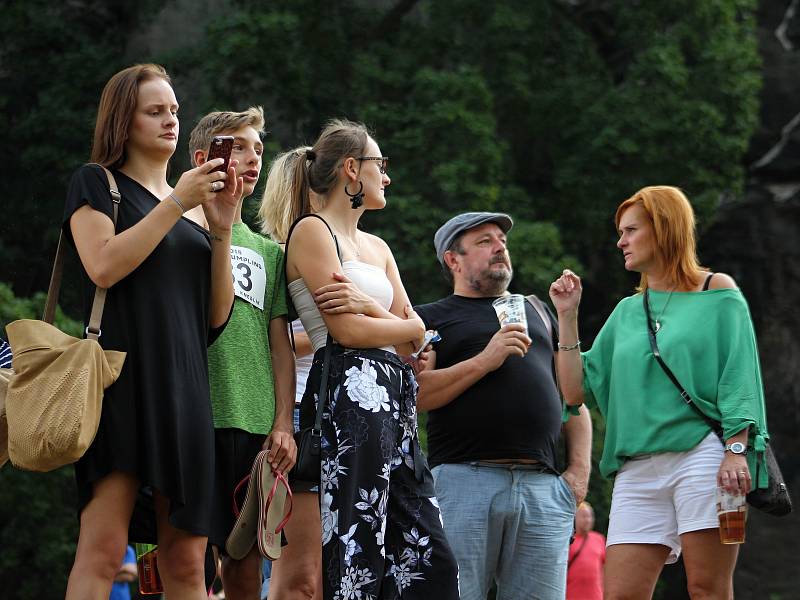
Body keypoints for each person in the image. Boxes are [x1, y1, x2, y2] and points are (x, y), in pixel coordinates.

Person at [63, 63, 241, 600]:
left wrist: (223, 226)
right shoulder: (98, 183)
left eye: (174, 110)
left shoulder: (191, 206)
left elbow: (215, 317)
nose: (171, 120)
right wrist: (178, 203)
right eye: (155, 111)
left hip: (186, 388)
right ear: (125, 119)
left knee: (189, 564)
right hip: (122, 382)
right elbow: (103, 266)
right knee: (101, 550)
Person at [550, 185, 770, 599]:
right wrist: (568, 317)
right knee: (621, 594)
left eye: (631, 230)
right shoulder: (628, 312)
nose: (621, 241)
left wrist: (736, 450)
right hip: (637, 468)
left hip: (704, 458)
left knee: (707, 589)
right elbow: (575, 389)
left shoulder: (716, 290)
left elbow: (739, 373)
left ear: (664, 229)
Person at [284, 120, 460, 599]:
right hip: (347, 393)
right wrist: (404, 325)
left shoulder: (378, 248)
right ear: (350, 170)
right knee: (357, 548)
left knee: (429, 554)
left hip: (396, 401)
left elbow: (414, 343)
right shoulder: (312, 233)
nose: (387, 175)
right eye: (380, 164)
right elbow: (350, 331)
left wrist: (380, 313)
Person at [413, 211, 592, 600]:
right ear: (452, 259)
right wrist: (486, 360)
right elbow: (417, 396)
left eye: (502, 241)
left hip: (544, 487)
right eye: (485, 242)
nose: (500, 249)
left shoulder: (538, 311)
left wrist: (578, 473)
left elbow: (574, 398)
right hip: (463, 482)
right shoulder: (427, 318)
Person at [188, 108, 296, 600]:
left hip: (254, 421)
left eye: (258, 149)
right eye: (237, 146)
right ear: (204, 157)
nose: (251, 158)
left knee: (244, 562)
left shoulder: (270, 251)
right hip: (191, 414)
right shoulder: (173, 227)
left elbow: (281, 346)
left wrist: (283, 423)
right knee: (183, 557)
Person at [257, 147, 323, 600]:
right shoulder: (275, 255)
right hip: (293, 414)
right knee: (297, 579)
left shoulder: (346, 250)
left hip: (337, 415)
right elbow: (256, 338)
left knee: (327, 577)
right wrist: (336, 334)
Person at [567, 502, 605, 600]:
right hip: (571, 595)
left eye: (590, 516)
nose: (588, 520)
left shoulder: (599, 539)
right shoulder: (568, 541)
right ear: (575, 518)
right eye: (584, 516)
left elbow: (605, 569)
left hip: (596, 596)